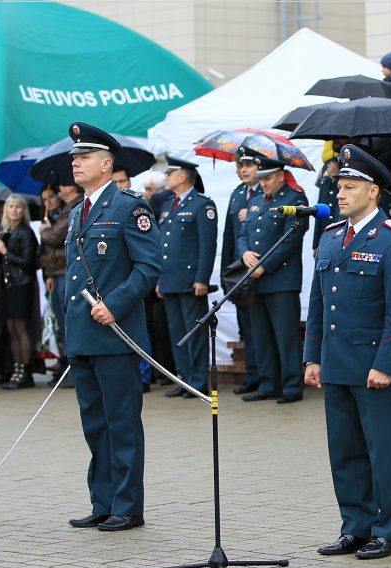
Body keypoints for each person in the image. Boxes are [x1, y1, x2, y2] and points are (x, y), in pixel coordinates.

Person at [303, 144, 391, 560]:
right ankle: (354, 526)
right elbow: (318, 303)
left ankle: (387, 530)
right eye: (339, 186)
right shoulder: (332, 236)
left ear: (373, 192)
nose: (340, 193)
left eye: (350, 186)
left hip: (373, 365)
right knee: (345, 451)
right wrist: (312, 357)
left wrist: (387, 363)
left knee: (381, 451)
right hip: (336, 364)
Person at [63, 122, 161, 531]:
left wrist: (115, 305)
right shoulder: (75, 212)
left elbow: (148, 267)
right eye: (74, 157)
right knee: (94, 424)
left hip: (115, 334)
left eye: (83, 157)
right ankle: (102, 501)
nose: (75, 163)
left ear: (106, 164)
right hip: (83, 335)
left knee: (121, 423)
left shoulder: (129, 207)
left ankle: (127, 506)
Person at [237, 154, 308, 404]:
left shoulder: (294, 199)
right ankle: (269, 383)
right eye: (261, 179)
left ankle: (291, 385)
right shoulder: (256, 201)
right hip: (255, 279)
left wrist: (264, 265)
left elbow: (291, 237)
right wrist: (245, 252)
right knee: (261, 335)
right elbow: (242, 233)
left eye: (268, 178)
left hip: (281, 279)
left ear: (280, 176)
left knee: (285, 335)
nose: (264, 183)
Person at [157, 157, 216, 399]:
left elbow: (207, 245)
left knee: (194, 332)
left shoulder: (202, 205)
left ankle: (198, 381)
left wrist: (202, 278)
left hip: (191, 280)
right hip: (170, 279)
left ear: (182, 177)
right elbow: (163, 245)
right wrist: (160, 279)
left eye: (170, 174)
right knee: (177, 333)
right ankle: (183, 377)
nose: (166, 178)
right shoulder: (169, 204)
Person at [0, 194, 40, 390]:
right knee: (11, 329)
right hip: (8, 285)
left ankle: (25, 371)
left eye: (18, 207)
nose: (14, 210)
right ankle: (17, 369)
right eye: (11, 207)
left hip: (22, 284)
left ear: (23, 210)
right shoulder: (4, 232)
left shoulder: (25, 232)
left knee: (20, 328)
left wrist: (5, 251)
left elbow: (28, 262)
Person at [221, 148, 262, 395]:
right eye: (240, 166)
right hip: (239, 270)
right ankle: (253, 374)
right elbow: (229, 236)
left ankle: (265, 377)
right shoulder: (237, 194)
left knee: (260, 327)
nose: (243, 170)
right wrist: (226, 270)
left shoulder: (266, 195)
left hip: (260, 268)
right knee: (245, 326)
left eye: (248, 165)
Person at [38, 185, 71, 387]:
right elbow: (46, 248)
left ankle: (70, 367)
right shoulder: (53, 214)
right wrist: (48, 273)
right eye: (44, 199)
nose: (48, 201)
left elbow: (55, 238)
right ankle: (64, 363)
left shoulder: (67, 210)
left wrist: (46, 230)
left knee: (68, 322)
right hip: (55, 270)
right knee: (60, 323)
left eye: (51, 196)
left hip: (65, 270)